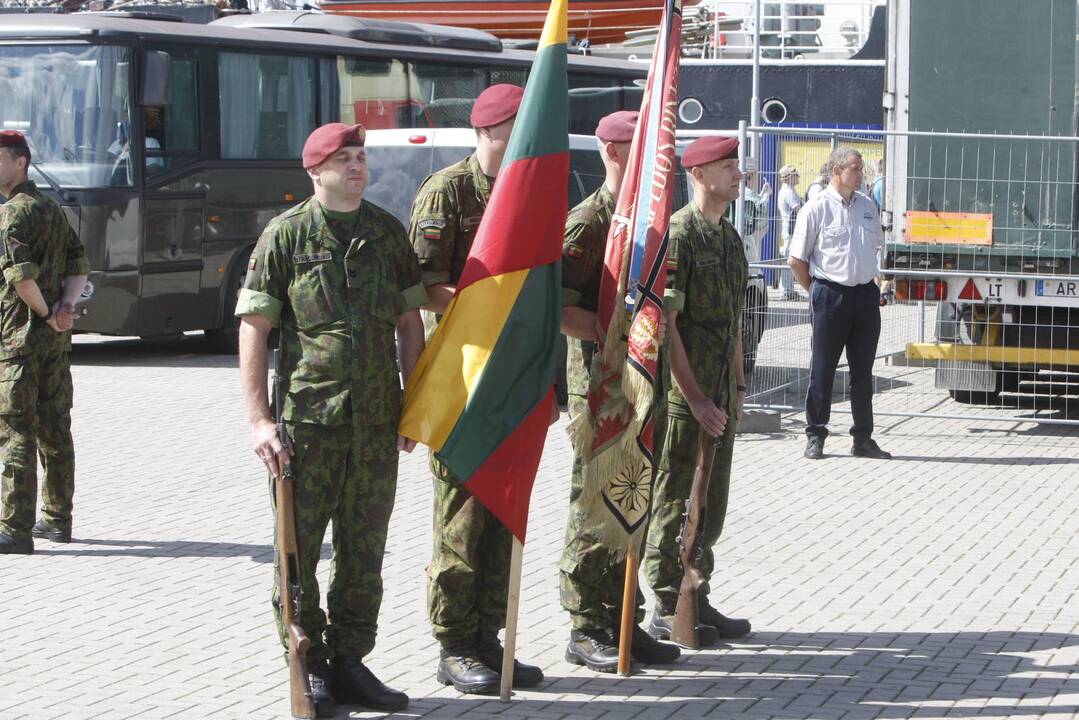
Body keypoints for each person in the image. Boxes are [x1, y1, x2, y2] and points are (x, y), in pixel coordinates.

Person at [236, 123, 427, 715]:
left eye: (361, 157)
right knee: (298, 552)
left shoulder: (385, 232)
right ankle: (309, 661)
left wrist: (413, 404)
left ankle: (350, 661)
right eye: (343, 159)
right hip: (308, 426)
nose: (356, 167)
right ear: (314, 172)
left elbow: (408, 324)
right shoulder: (285, 237)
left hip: (374, 425)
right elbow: (255, 329)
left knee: (364, 550)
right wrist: (259, 420)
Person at [408, 83, 544, 695]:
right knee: (461, 515)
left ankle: (491, 637)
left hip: (513, 377)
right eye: (518, 126)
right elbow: (421, 285)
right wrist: (481, 310)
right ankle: (455, 643)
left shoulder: (532, 193)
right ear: (490, 132)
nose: (526, 137)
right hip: (464, 378)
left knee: (501, 508)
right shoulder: (449, 191)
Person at [558, 110, 680, 672]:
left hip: (640, 385)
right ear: (613, 152)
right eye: (644, 149)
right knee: (594, 501)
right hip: (600, 387)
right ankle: (586, 625)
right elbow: (558, 311)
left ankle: (622, 617)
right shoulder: (588, 223)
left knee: (633, 495)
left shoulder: (650, 223)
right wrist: (615, 332)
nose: (658, 160)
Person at [644, 136, 752, 645]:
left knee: (711, 502)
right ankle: (665, 601)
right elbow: (669, 329)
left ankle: (696, 593)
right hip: (685, 400)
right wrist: (696, 398)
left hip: (720, 397)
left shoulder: (729, 239)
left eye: (736, 165)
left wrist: (736, 386)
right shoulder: (680, 236)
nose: (737, 173)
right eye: (726, 166)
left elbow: (734, 323)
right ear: (699, 174)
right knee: (675, 497)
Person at [0, 130, 89, 555]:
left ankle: (14, 529)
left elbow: (21, 278)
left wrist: (44, 314)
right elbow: (79, 263)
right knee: (55, 428)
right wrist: (65, 310)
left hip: (20, 341)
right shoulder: (52, 209)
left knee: (15, 428)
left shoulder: (12, 215)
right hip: (54, 341)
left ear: (21, 162)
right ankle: (57, 520)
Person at [787, 146, 891, 461]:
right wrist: (817, 291)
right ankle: (815, 435)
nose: (861, 174)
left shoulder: (868, 206)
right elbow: (796, 260)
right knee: (823, 369)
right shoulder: (816, 208)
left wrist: (878, 282)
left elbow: (876, 249)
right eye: (856, 169)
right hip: (830, 294)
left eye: (861, 169)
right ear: (837, 171)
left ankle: (863, 438)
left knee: (863, 371)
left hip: (864, 296)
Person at [776, 163, 803, 300]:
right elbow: (799, 210)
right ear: (790, 177)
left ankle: (788, 289)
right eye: (795, 174)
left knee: (789, 259)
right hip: (791, 230)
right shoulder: (789, 192)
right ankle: (786, 291)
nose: (798, 176)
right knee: (789, 260)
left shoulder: (787, 190)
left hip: (789, 229)